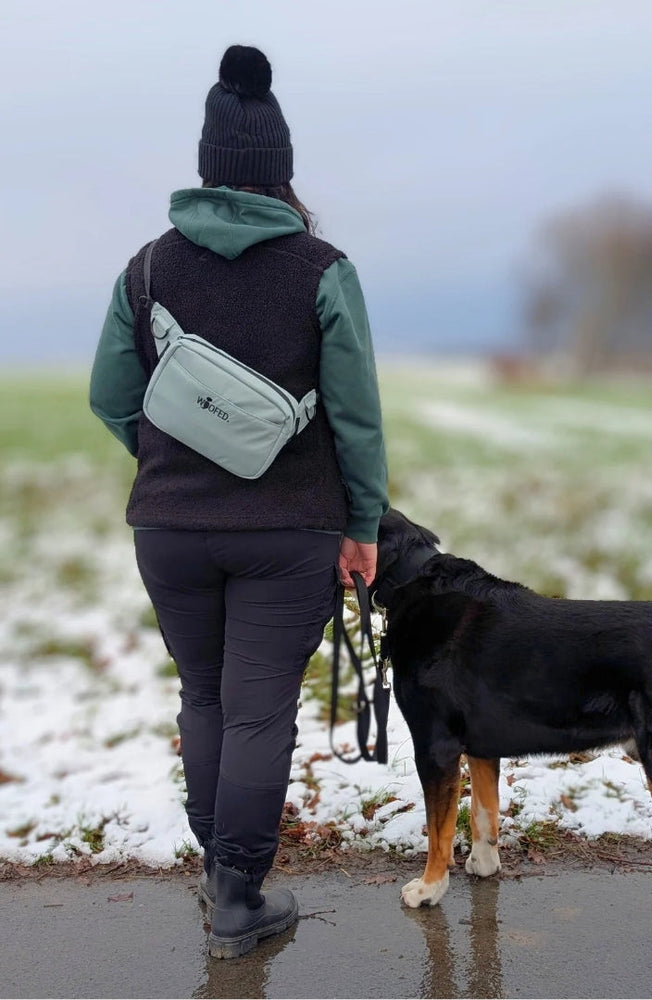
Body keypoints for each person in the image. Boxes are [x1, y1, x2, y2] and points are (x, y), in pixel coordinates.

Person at [89, 44, 389, 959]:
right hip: (289, 532)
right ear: (279, 169)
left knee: (206, 697)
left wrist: (174, 460)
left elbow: (109, 395)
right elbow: (354, 413)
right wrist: (363, 524)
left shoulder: (146, 270)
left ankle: (220, 869)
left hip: (168, 531)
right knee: (259, 710)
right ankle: (236, 893)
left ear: (206, 164)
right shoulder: (323, 268)